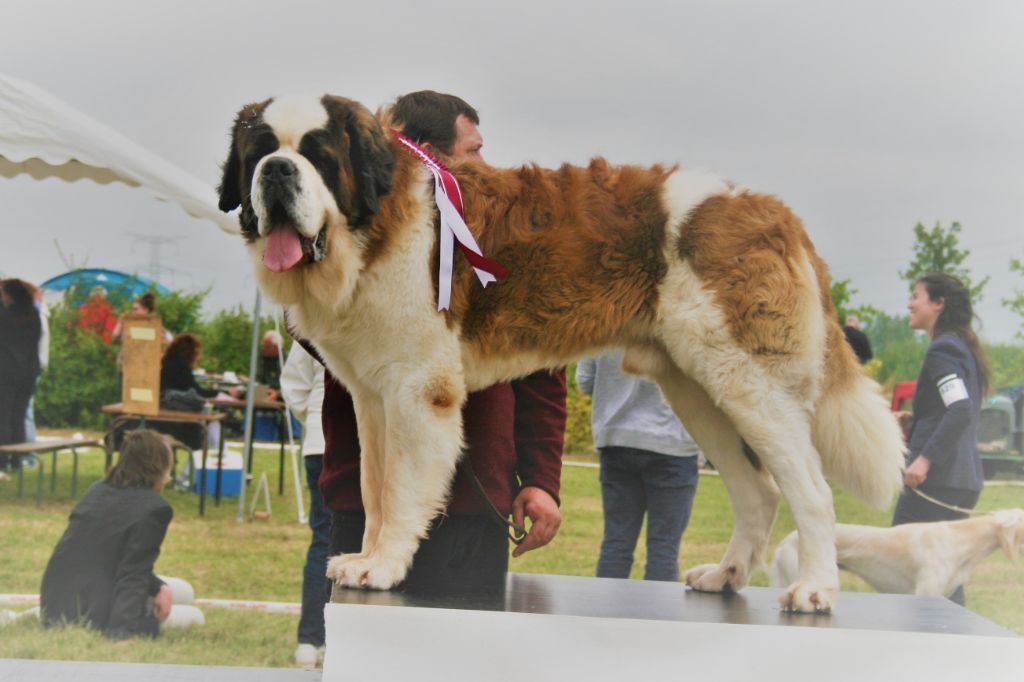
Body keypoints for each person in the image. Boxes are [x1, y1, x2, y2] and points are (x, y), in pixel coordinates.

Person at [316, 90, 566, 596]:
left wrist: (540, 478)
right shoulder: (346, 239)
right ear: (424, 156)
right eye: (473, 151)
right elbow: (307, 330)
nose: (487, 165)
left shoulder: (498, 247)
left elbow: (542, 366)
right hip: (368, 507)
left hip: (474, 502)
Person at [40, 429, 203, 638]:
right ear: (159, 467)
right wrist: (122, 632)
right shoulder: (155, 509)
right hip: (98, 604)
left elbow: (110, 557)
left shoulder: (97, 489)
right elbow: (132, 573)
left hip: (57, 597)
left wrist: (160, 587)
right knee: (195, 616)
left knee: (182, 591)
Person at [892, 273, 990, 606]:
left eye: (916, 295)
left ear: (938, 304)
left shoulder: (943, 349)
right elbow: (953, 409)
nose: (909, 303)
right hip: (960, 480)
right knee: (942, 574)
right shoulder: (960, 345)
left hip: (936, 481)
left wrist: (924, 458)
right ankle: (954, 645)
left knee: (901, 562)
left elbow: (960, 409)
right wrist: (914, 422)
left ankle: (929, 644)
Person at [577, 351, 700, 581]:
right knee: (663, 549)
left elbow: (585, 380)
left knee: (616, 543)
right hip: (673, 445)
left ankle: (605, 616)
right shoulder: (690, 317)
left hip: (617, 440)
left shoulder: (604, 319)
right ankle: (657, 617)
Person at [280, 342, 329, 666]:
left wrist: (313, 416)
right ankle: (321, 637)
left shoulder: (314, 318)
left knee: (323, 542)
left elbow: (294, 386)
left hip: (320, 440)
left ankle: (311, 639)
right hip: (347, 441)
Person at [0, 279, 42, 468]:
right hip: (28, 373)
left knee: (3, 418)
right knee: (18, 417)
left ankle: (2, 461)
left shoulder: (5, 318)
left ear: (10, 296)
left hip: (6, 373)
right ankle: (17, 460)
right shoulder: (33, 315)